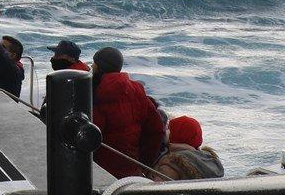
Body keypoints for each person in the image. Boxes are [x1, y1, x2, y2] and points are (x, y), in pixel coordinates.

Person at [90, 47, 165, 178]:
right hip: (131, 170)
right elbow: (157, 129)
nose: (91, 66)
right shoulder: (137, 90)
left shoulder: (93, 92)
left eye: (94, 63)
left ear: (99, 66)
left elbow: (91, 136)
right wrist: (143, 162)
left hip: (98, 171)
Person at [150, 116, 225, 181]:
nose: (166, 131)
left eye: (169, 129)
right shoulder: (211, 161)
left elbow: (156, 188)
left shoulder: (172, 163)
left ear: (176, 135)